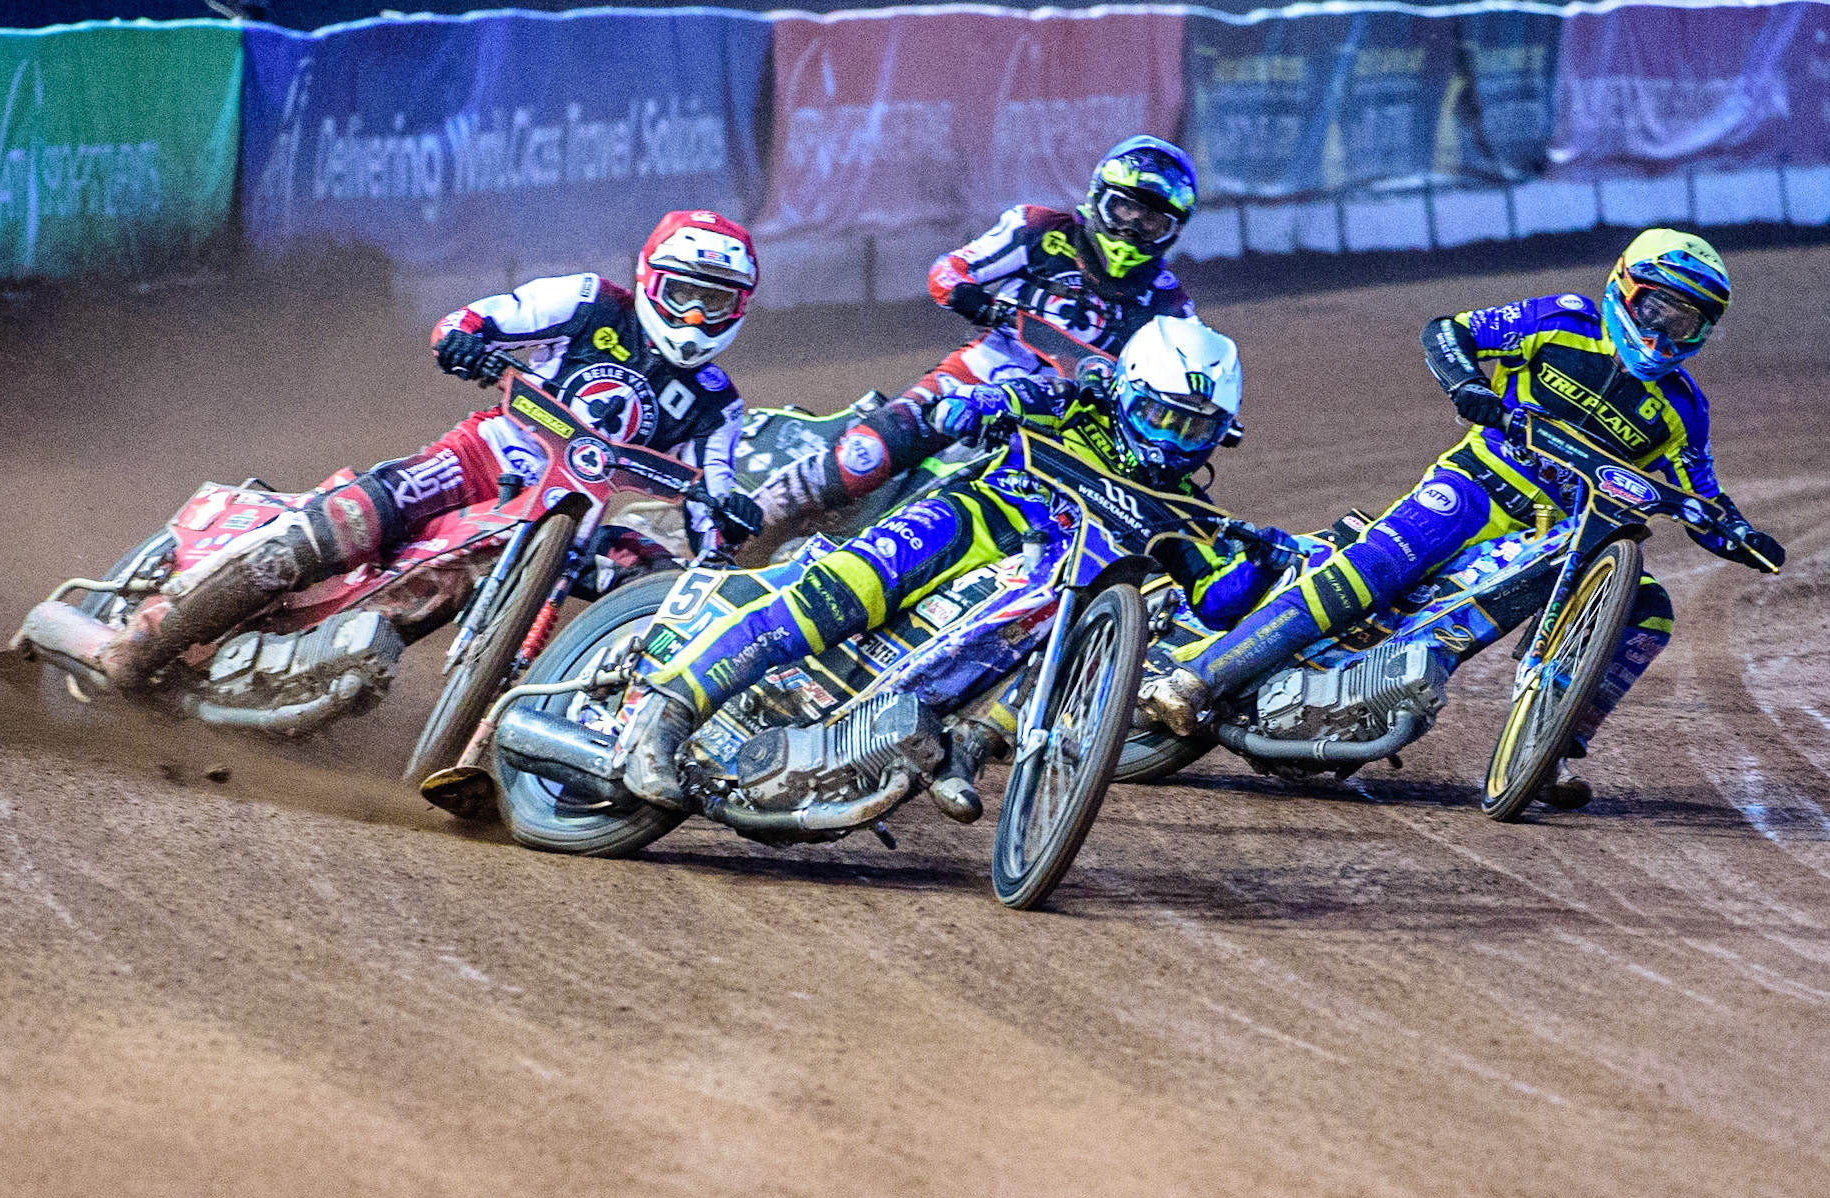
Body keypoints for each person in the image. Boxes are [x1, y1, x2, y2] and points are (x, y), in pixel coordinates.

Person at [1145, 229, 1785, 808]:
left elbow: (1702, 495)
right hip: (1476, 486)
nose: (1663, 333)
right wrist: (1468, 386)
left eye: (1686, 322)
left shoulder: (1684, 409)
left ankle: (1552, 746)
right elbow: (1449, 332)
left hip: (1560, 533)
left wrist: (1737, 531)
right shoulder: (1562, 320)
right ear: (1625, 289)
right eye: (1656, 310)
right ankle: (1202, 677)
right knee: (1379, 566)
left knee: (1649, 609)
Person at [618, 315, 1295, 815]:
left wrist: (1260, 564)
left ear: (1221, 432)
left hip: (1039, 603)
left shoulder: (1187, 511)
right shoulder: (1074, 406)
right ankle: (665, 713)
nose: (1171, 439)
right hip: (966, 523)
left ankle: (962, 749)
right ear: (1125, 391)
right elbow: (1012, 395)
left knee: (1082, 646)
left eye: (1193, 428)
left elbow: (1216, 601)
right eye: (1158, 415)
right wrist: (983, 402)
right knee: (840, 596)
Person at [95, 209, 767, 692]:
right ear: (651, 280)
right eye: (683, 294)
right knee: (353, 519)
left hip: (572, 520)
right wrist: (466, 342)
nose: (695, 317)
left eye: (714, 302)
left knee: (653, 581)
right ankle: (146, 637)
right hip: (487, 458)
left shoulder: (717, 404)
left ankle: (558, 727)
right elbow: (472, 320)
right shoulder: (590, 302)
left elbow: (711, 513)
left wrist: (728, 521)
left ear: (738, 308)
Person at [751, 135, 1202, 530]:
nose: (1131, 227)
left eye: (1151, 220)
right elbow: (948, 270)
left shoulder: (1171, 304)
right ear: (1099, 198)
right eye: (1124, 208)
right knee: (865, 456)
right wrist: (977, 301)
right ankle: (748, 521)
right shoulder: (1039, 230)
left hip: (1065, 421)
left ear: (1172, 230)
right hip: (977, 376)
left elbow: (1189, 380)